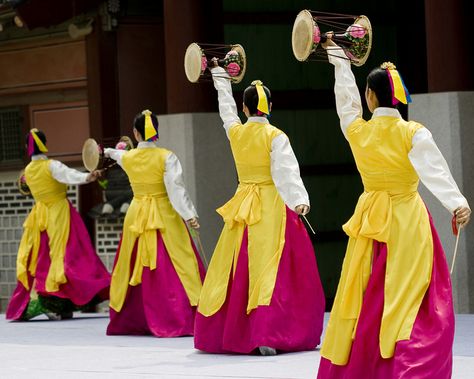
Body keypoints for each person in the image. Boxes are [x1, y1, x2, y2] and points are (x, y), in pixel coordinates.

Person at [317, 39, 471, 378]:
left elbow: (346, 104)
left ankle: (364, 364)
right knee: (409, 296)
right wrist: (457, 203)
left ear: (370, 96)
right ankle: (406, 365)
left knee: (364, 292)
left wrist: (339, 62)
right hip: (406, 221)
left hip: (370, 219)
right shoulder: (413, 133)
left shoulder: (358, 131)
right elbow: (435, 172)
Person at [194, 61, 325, 355]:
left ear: (245, 107)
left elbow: (225, 111)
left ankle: (236, 329)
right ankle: (267, 331)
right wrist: (299, 200)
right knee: (271, 266)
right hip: (271, 206)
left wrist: (219, 76)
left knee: (235, 265)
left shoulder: (237, 132)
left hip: (243, 204)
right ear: (269, 106)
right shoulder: (276, 136)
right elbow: (287, 171)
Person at [104, 110, 206, 337]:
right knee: (177, 261)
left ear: (135, 133)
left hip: (137, 215)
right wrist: (189, 214)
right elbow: (175, 188)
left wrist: (107, 151)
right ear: (156, 131)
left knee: (133, 263)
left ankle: (134, 317)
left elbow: (113, 155)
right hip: (163, 214)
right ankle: (179, 315)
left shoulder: (128, 157)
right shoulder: (166, 156)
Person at [6, 128, 110, 321]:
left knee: (41, 259)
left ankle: (55, 304)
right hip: (59, 214)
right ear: (45, 143)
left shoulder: (27, 171)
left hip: (38, 219)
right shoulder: (52, 166)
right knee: (71, 257)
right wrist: (89, 176)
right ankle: (65, 301)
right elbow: (70, 176)